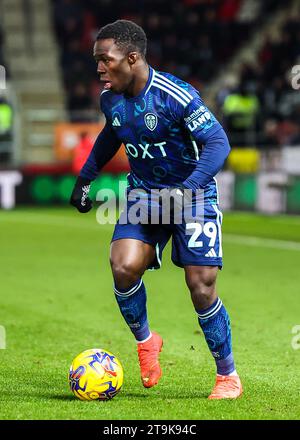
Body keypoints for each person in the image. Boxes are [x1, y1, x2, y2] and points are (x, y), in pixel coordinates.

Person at [70, 20, 243, 400]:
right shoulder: (110, 98)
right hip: (144, 196)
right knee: (122, 266)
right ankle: (147, 342)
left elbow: (217, 143)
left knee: (201, 286)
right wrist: (85, 179)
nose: (99, 68)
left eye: (105, 59)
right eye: (96, 60)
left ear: (132, 58)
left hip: (193, 197)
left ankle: (227, 375)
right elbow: (111, 134)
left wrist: (186, 189)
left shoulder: (175, 95)